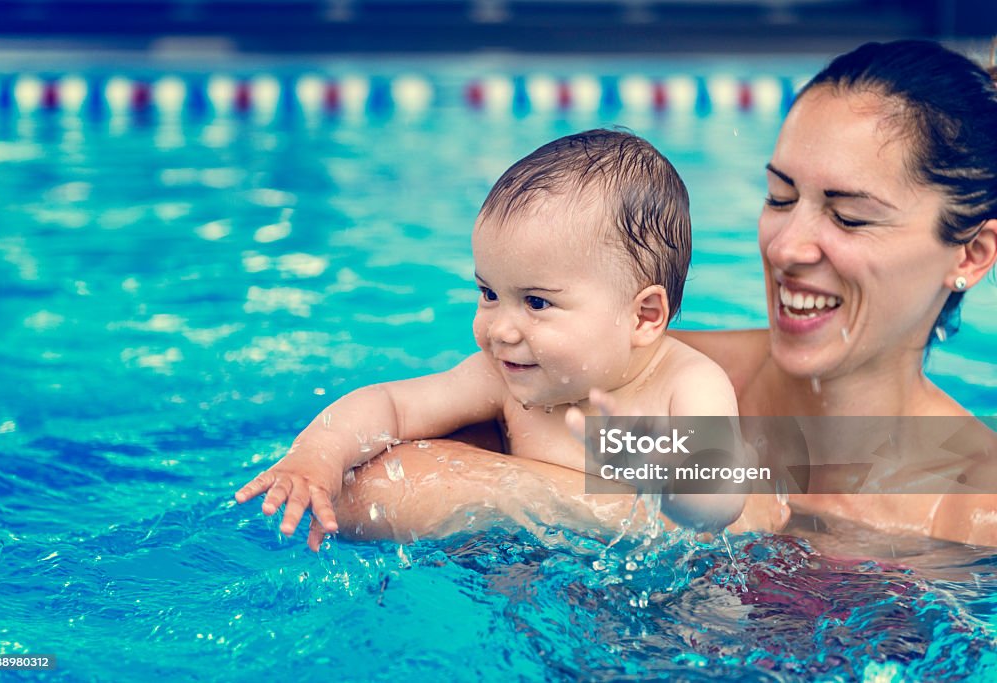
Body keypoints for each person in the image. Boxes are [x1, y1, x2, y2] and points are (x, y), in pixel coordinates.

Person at [316, 39, 997, 549]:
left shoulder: (975, 511)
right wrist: (627, 505)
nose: (787, 246)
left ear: (971, 254)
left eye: (848, 216)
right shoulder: (630, 371)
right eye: (778, 197)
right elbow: (361, 493)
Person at [235, 130, 749, 551]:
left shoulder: (687, 386)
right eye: (488, 293)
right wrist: (317, 457)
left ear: (644, 316)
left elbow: (722, 504)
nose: (499, 330)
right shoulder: (504, 375)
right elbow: (392, 404)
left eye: (537, 303)